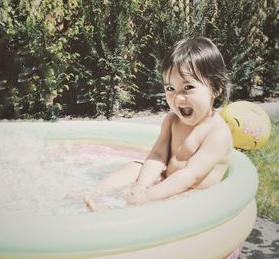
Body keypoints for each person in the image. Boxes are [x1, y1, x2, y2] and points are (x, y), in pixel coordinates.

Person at [66, 36, 233, 211]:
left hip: (192, 193)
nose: (178, 97)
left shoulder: (217, 133)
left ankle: (117, 213)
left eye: (188, 87)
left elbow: (190, 175)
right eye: (170, 89)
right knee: (135, 167)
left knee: (178, 198)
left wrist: (150, 195)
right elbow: (158, 156)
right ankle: (97, 192)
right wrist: (142, 186)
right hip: (166, 181)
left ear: (216, 88)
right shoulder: (172, 120)